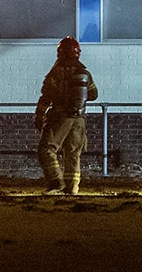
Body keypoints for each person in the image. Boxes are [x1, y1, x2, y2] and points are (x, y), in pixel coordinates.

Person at [35, 36, 98, 197]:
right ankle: (72, 189)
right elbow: (93, 94)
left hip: (60, 117)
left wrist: (39, 115)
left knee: (46, 149)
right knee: (73, 153)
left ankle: (55, 181)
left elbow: (46, 96)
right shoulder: (85, 73)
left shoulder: (57, 72)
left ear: (60, 53)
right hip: (79, 120)